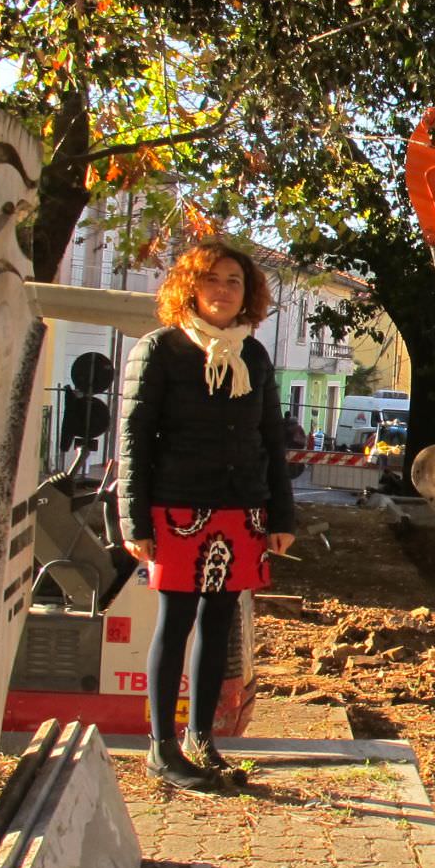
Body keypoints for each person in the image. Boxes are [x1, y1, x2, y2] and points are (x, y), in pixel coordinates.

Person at [119, 241, 296, 792]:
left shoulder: (255, 356)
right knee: (175, 625)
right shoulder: (161, 349)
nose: (223, 290)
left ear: (248, 294)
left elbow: (271, 438)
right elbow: (133, 440)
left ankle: (203, 740)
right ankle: (161, 749)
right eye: (213, 279)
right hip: (175, 509)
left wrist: (281, 515)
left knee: (219, 628)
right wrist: (134, 523)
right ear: (191, 286)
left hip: (240, 508)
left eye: (234, 281)